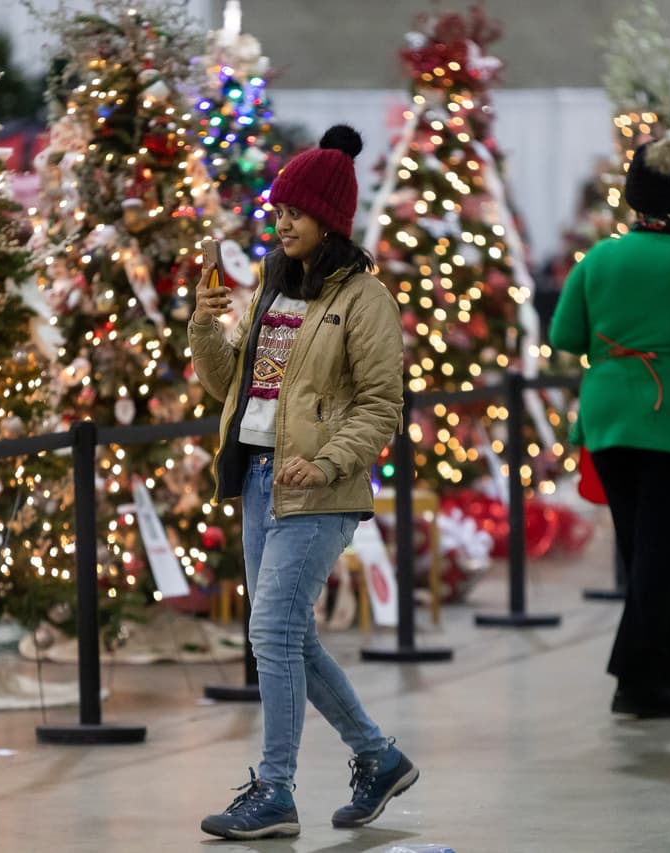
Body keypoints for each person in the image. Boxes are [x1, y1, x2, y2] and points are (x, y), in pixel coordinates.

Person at [189, 125, 418, 840]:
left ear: (330, 218)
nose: (280, 222)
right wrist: (205, 330)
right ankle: (377, 757)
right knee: (285, 635)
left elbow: (382, 405)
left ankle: (276, 788)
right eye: (277, 211)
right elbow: (237, 389)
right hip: (259, 479)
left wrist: (325, 461)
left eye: (294, 211)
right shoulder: (274, 288)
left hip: (320, 489)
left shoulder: (364, 300)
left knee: (274, 630)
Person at [549, 135, 670, 719]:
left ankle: (666, 675)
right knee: (662, 557)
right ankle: (633, 677)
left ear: (632, 200)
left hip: (612, 420)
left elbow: (564, 337)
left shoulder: (600, 260)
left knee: (645, 554)